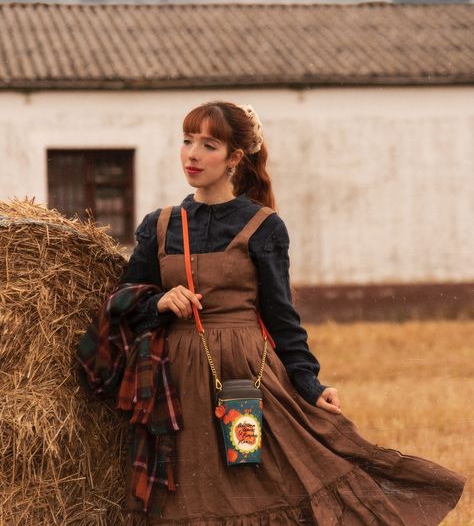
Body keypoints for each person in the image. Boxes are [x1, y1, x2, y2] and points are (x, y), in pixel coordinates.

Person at [117, 100, 465, 525]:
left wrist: (309, 382)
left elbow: (282, 316)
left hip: (245, 377)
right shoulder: (160, 224)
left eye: (208, 145)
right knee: (189, 500)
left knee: (273, 482)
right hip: (175, 382)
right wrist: (159, 302)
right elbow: (125, 302)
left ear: (235, 158)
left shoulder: (264, 226)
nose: (191, 154)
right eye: (187, 141)